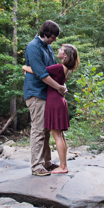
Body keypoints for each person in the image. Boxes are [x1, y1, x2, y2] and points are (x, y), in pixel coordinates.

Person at [23, 20, 66, 175]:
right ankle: (36, 166)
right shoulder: (33, 47)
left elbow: (54, 70)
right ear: (46, 34)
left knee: (46, 130)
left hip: (46, 94)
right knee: (39, 130)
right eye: (53, 37)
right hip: (35, 93)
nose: (54, 40)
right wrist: (59, 88)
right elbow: (42, 74)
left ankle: (46, 163)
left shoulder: (47, 47)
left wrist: (62, 84)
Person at [43, 43, 78, 174]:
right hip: (60, 101)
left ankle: (63, 167)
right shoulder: (66, 69)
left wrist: (25, 67)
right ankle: (63, 165)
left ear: (65, 55)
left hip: (55, 102)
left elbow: (39, 71)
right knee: (60, 135)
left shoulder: (59, 67)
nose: (58, 50)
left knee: (57, 135)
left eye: (61, 50)